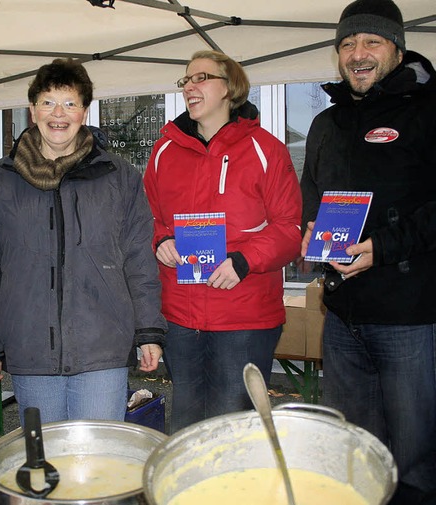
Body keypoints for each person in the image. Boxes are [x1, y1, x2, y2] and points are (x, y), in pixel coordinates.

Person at [0, 58, 166, 426]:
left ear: (84, 112)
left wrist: (148, 330)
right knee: (45, 465)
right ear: (32, 110)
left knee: (97, 462)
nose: (59, 114)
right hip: (29, 347)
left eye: (70, 103)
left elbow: (139, 258)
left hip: (102, 346)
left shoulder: (119, 177)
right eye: (48, 102)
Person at [299, 1, 436, 503]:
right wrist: (311, 236)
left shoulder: (427, 110)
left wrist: (380, 248)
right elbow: (311, 197)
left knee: (416, 455)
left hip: (410, 318)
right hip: (342, 317)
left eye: (371, 43)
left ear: (397, 49)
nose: (357, 54)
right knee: (353, 448)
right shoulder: (327, 123)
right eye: (347, 45)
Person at [143, 50, 302, 433]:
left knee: (234, 427)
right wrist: (161, 239)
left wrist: (244, 260)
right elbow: (146, 218)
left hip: (244, 317)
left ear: (230, 88)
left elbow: (289, 229)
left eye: (201, 78)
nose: (190, 87)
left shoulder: (267, 150)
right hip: (181, 316)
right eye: (185, 80)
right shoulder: (164, 150)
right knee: (186, 425)